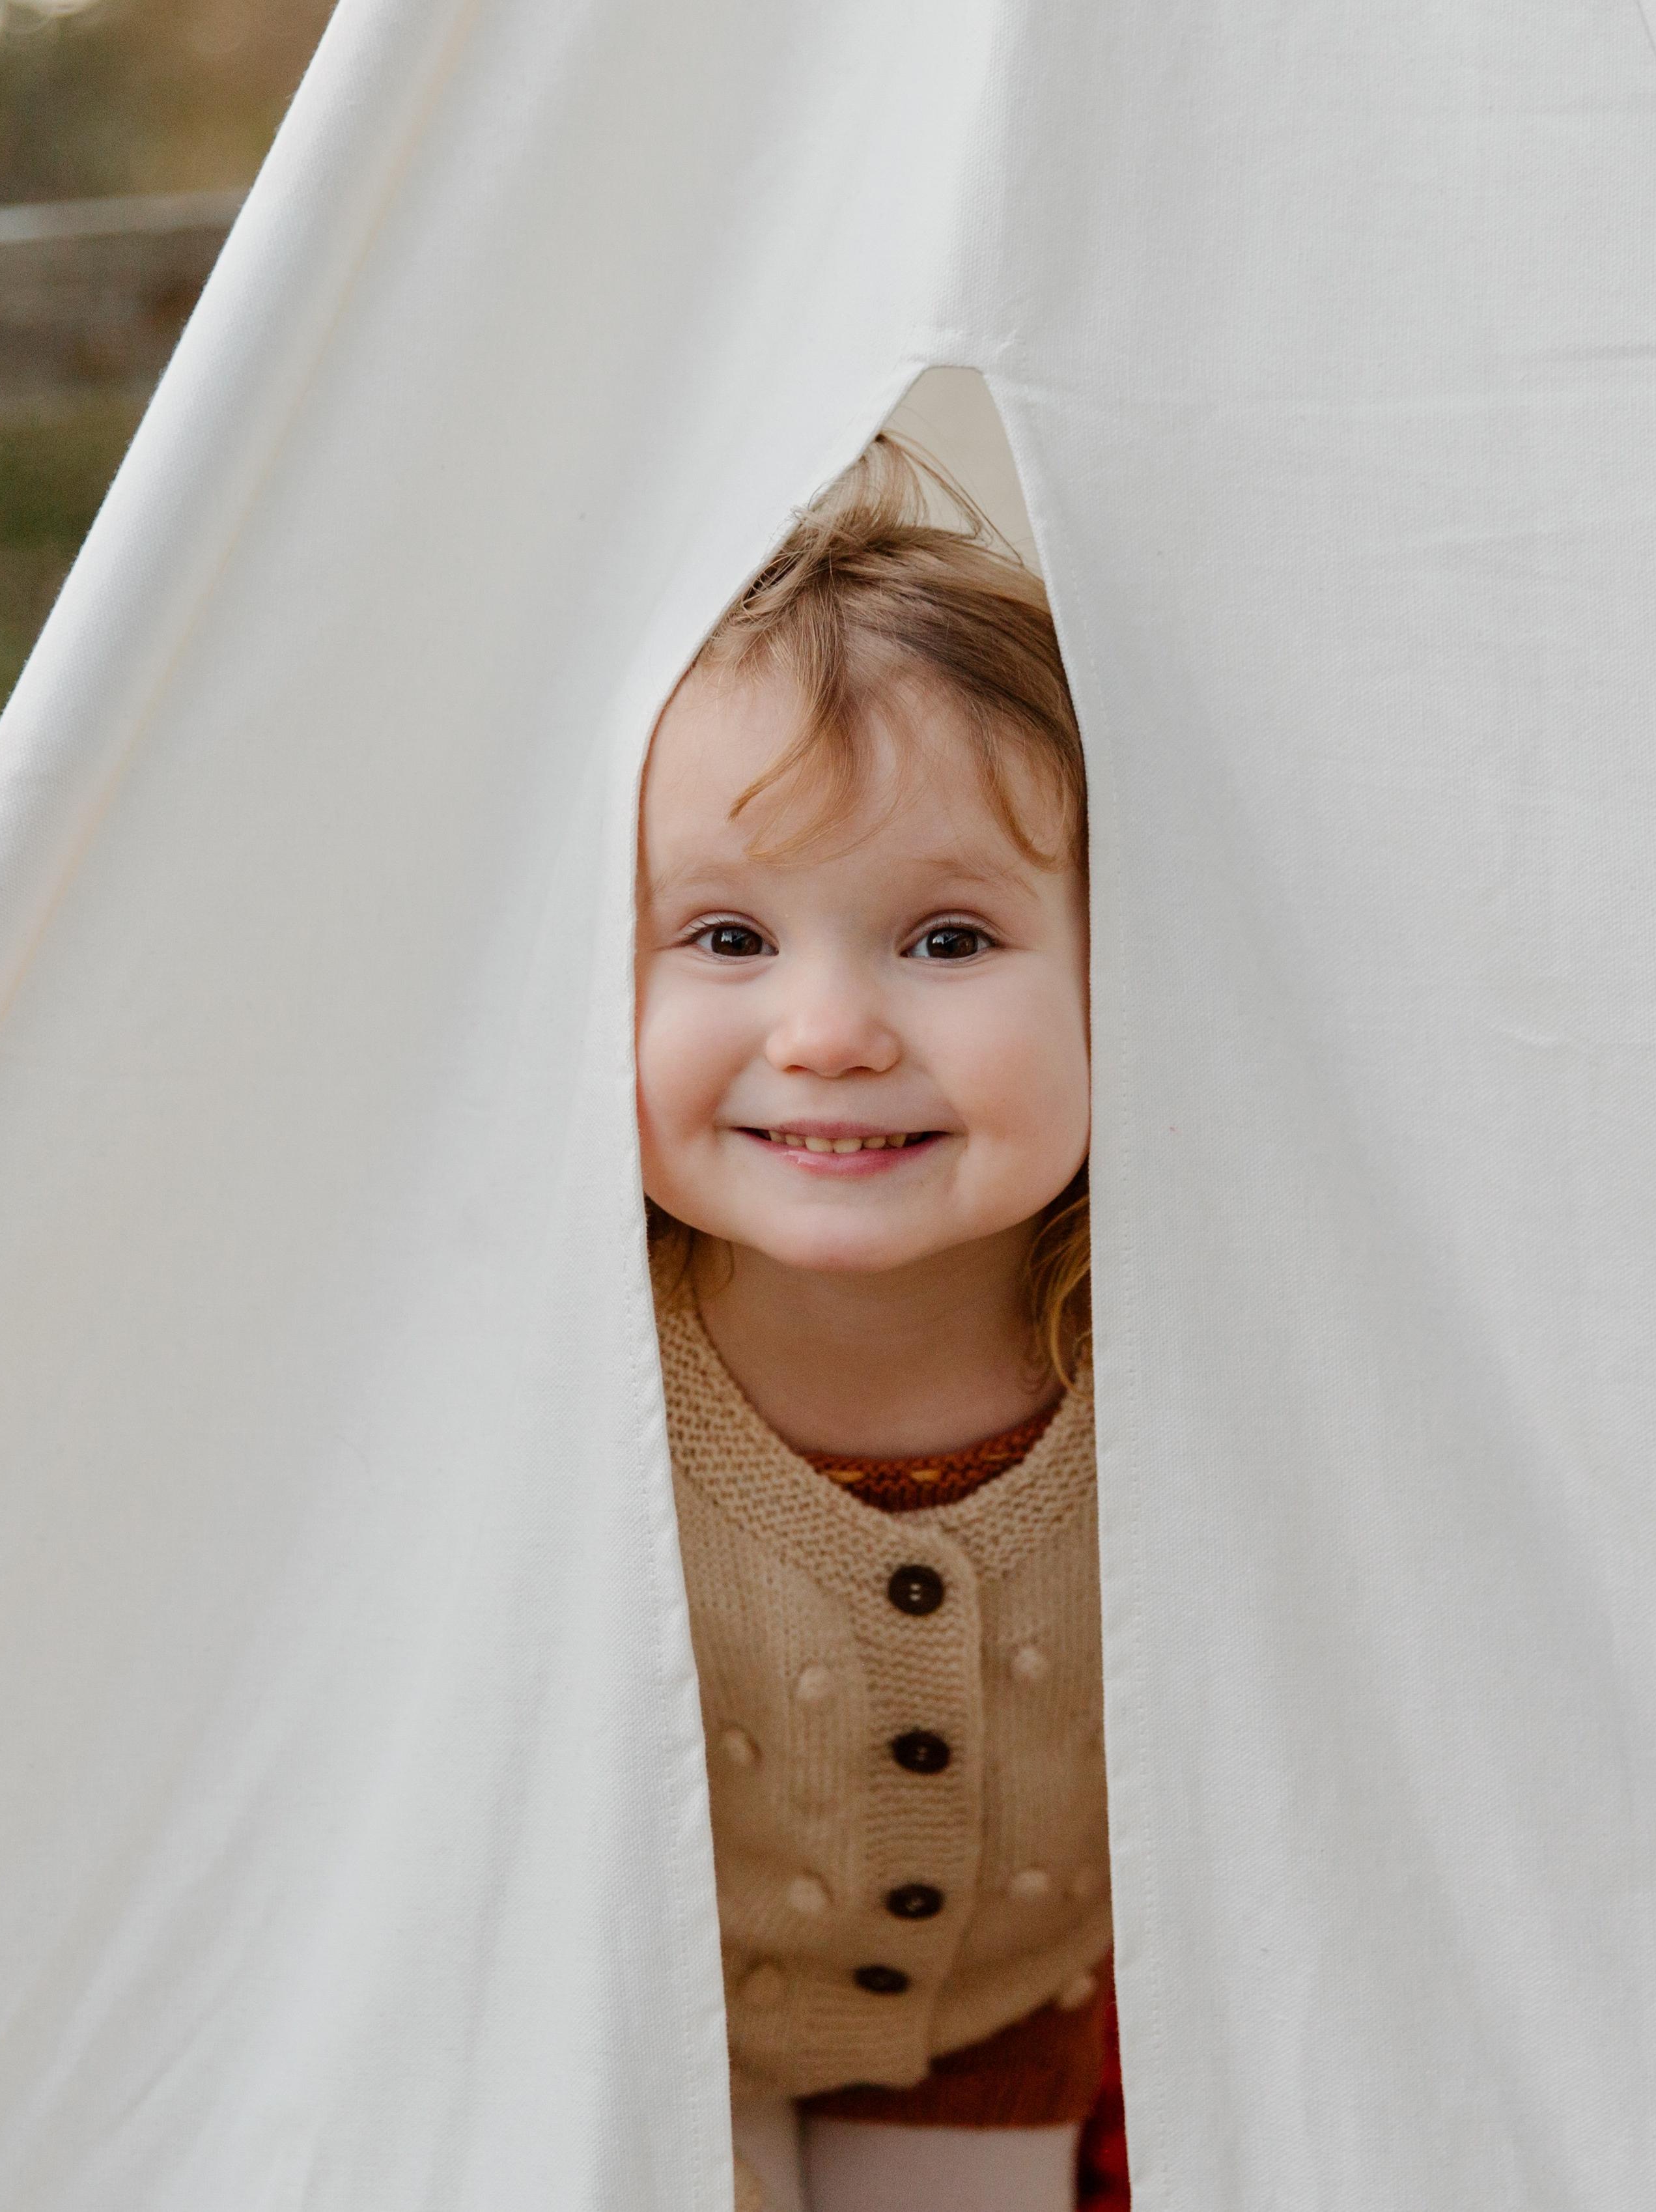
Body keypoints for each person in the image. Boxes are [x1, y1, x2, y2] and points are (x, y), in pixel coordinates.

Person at [636, 435, 1108, 2212]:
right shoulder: (559, 1357)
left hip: (1002, 2018)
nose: (828, 1032)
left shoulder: (1187, 1339)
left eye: (947, 939)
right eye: (727, 935)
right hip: (640, 2007)